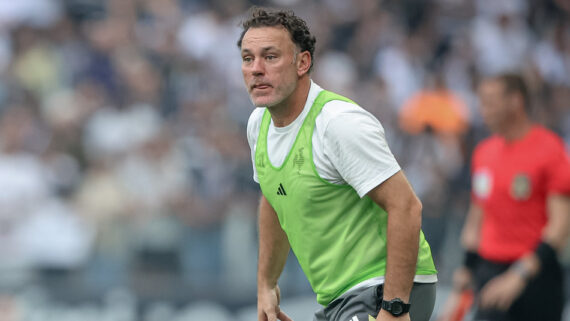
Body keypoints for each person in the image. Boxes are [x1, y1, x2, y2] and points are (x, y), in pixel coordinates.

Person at [237, 7, 437, 321]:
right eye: (248, 59)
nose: (256, 69)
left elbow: (407, 206)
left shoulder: (337, 124)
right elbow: (274, 199)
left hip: (384, 287)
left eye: (270, 56)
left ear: (302, 62)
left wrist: (395, 308)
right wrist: (266, 284)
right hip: (341, 297)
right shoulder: (257, 124)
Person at [438, 74, 570, 321]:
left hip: (536, 278)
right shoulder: (484, 153)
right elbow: (476, 217)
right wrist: (466, 271)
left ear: (515, 102)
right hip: (490, 273)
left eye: (490, 101)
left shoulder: (550, 150)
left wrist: (518, 275)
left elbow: (561, 225)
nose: (483, 110)